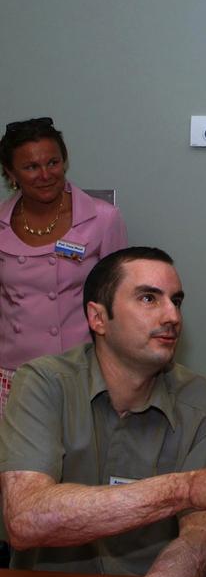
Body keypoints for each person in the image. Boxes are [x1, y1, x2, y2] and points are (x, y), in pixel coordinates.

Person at [0, 247, 206, 577]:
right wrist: (188, 487)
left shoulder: (204, 402)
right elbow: (25, 520)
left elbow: (200, 536)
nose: (173, 317)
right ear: (98, 318)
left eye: (176, 301)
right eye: (149, 298)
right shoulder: (43, 383)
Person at [0, 117, 127, 416]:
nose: (45, 174)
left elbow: (121, 297)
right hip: (13, 372)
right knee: (17, 461)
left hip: (80, 368)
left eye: (53, 162)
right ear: (11, 173)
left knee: (81, 459)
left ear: (65, 161)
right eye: (31, 167)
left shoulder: (102, 218)